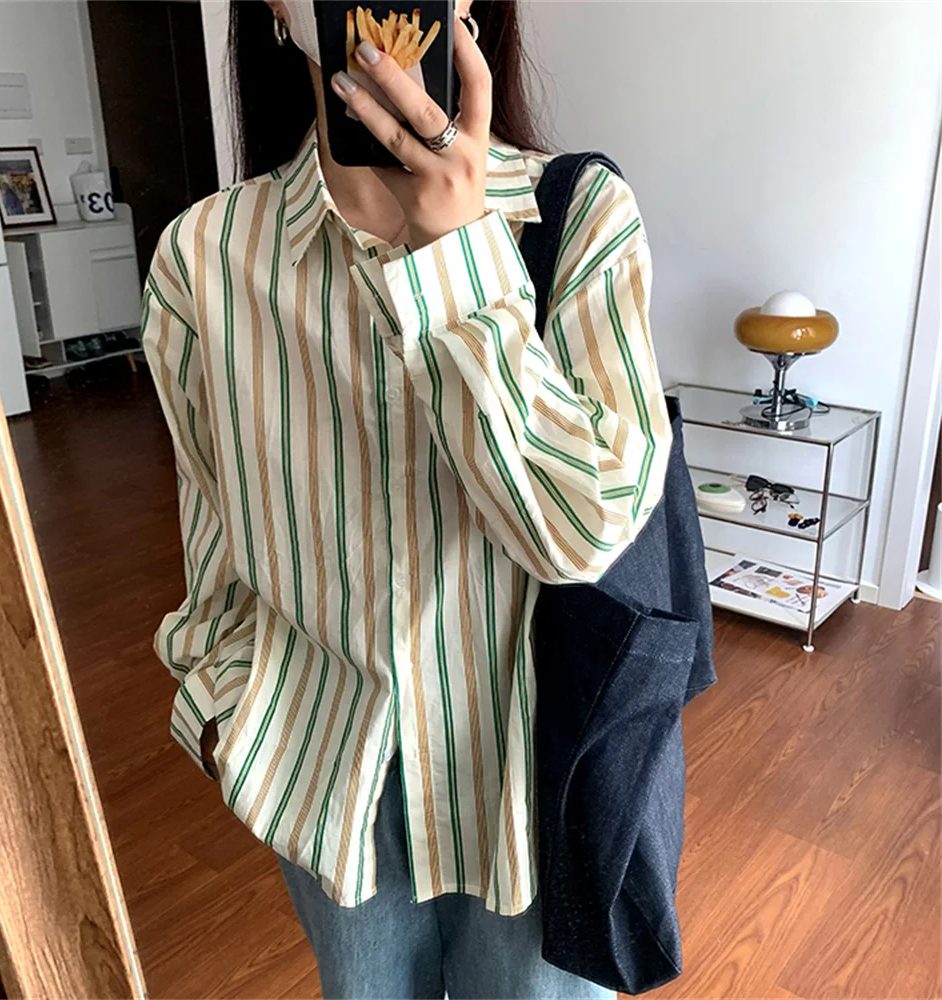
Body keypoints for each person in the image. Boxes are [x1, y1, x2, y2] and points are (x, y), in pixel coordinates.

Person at [141, 0, 672, 996]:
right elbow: (211, 527)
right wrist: (220, 708)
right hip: (324, 774)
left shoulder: (578, 214)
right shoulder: (201, 257)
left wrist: (457, 259)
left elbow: (582, 529)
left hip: (535, 779)